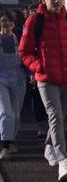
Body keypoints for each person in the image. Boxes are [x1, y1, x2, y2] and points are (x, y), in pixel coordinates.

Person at [19, 0, 67, 181]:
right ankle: (64, 161)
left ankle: (49, 146)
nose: (56, 1)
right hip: (46, 79)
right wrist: (39, 67)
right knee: (55, 115)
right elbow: (24, 51)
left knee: (60, 116)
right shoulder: (34, 21)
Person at [0, 11, 27, 159]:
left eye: (8, 21)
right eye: (3, 21)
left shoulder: (20, 39)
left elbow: (26, 57)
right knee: (5, 111)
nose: (5, 24)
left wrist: (31, 74)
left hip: (17, 78)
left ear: (13, 24)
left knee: (15, 114)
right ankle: (5, 145)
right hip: (1, 78)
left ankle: (12, 139)